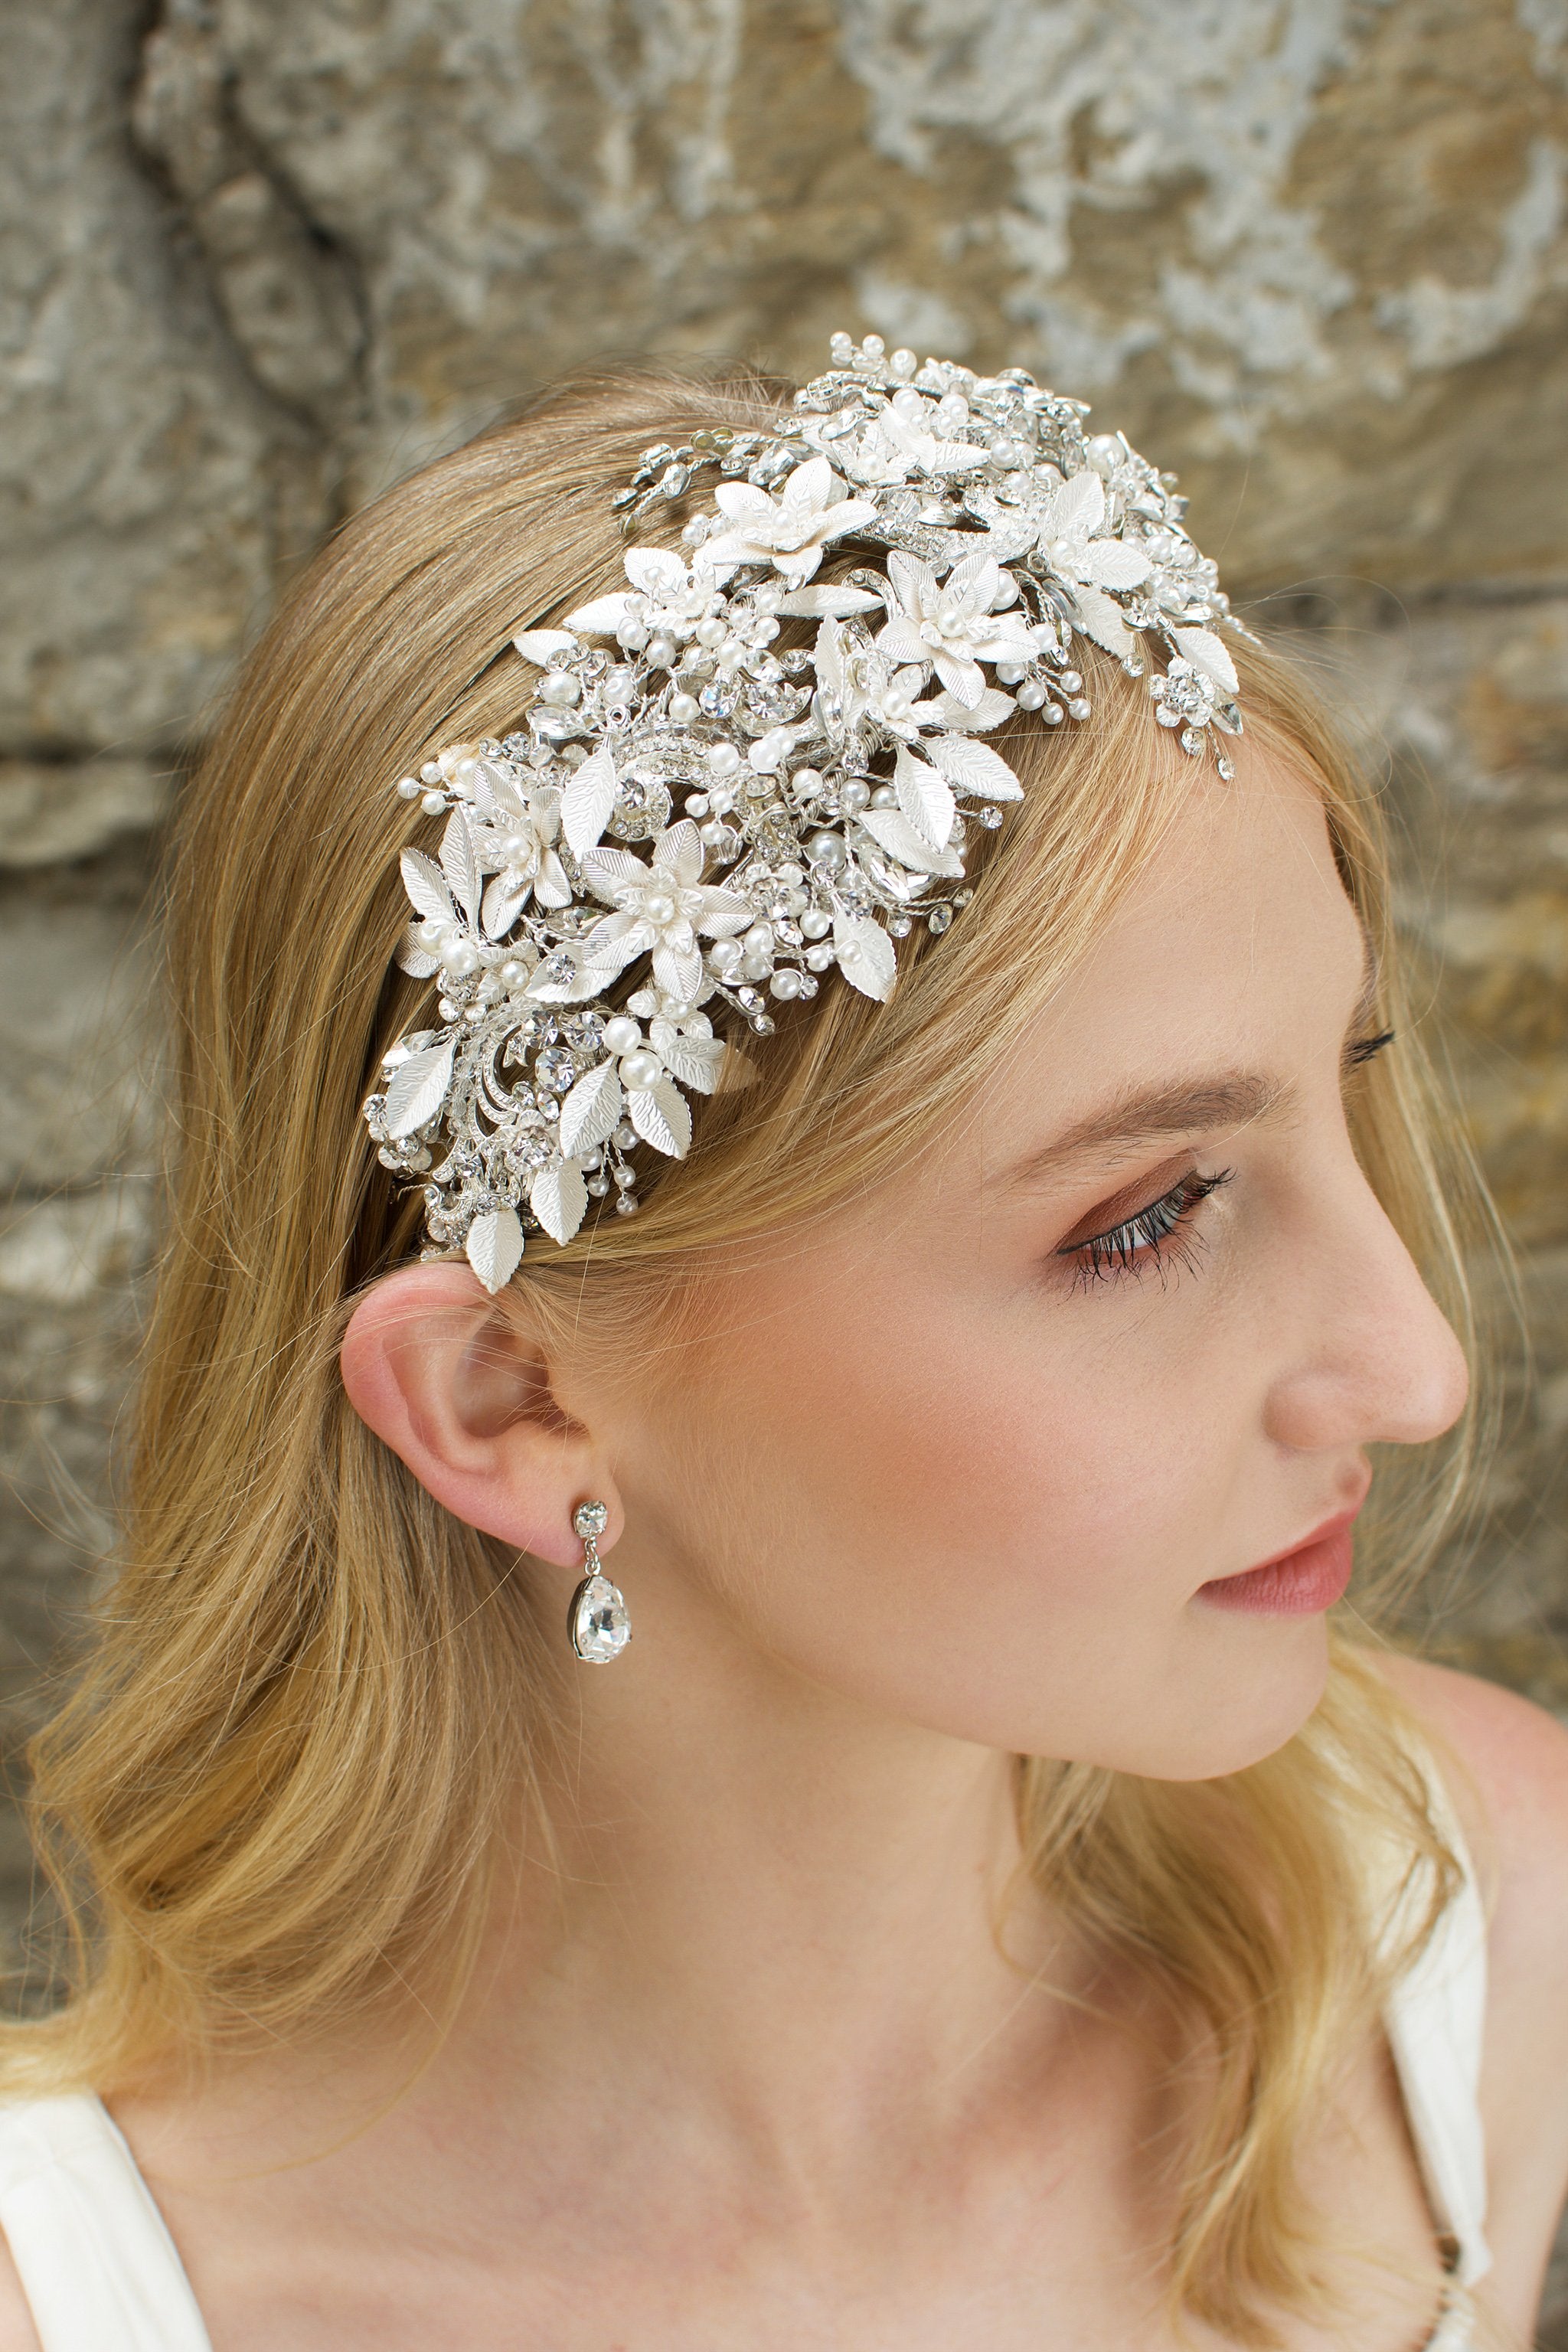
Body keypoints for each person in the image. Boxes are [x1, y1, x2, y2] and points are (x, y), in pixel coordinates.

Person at [0, 338, 1565, 2352]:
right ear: (515, 1400)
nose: (1416, 1367)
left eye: (1344, 1092)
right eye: (1148, 1216)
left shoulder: (1473, 1935)